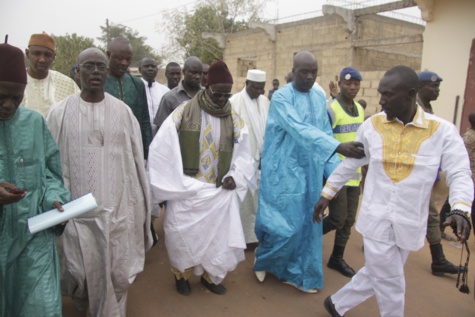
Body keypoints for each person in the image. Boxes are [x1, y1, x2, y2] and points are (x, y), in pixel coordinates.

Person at [314, 65, 473, 317]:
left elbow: (459, 172)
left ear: (410, 94)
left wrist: (460, 208)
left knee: (379, 272)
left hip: (410, 221)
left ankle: (336, 303)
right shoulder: (372, 126)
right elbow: (352, 163)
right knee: (391, 284)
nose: (381, 100)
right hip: (376, 219)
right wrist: (327, 193)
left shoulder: (441, 131)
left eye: (388, 95)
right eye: (381, 93)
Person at [46, 48, 152, 316]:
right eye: (89, 66)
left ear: (107, 72)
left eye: (100, 67)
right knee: (79, 274)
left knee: (117, 273)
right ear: (77, 71)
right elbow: (48, 162)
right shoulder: (59, 113)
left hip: (117, 211)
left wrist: (140, 205)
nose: (95, 71)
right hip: (76, 216)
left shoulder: (123, 112)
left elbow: (136, 161)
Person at [253, 51, 365, 293]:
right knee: (284, 225)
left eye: (313, 72)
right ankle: (263, 259)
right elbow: (298, 128)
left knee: (308, 225)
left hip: (311, 170)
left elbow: (324, 130)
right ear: (293, 71)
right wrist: (336, 146)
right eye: (303, 72)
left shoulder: (318, 95)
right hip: (283, 169)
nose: (309, 76)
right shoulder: (282, 97)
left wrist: (336, 172)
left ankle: (299, 273)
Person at [148, 60, 254, 296]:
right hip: (187, 191)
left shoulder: (234, 119)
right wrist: (178, 181)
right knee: (181, 236)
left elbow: (245, 156)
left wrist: (234, 176)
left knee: (216, 237)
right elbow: (162, 148)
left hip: (218, 192)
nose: (222, 100)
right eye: (218, 94)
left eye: (227, 95)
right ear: (207, 86)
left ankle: (210, 276)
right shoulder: (184, 112)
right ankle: (181, 276)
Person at [0, 40, 70, 316]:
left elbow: (52, 173)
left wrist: (54, 198)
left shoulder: (33, 122)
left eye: (17, 98)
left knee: (43, 307)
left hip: (34, 237)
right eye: (1, 96)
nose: (9, 105)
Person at [416, 70, 461, 275]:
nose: (437, 90)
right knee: (428, 215)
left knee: (430, 215)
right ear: (420, 87)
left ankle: (438, 260)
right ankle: (439, 260)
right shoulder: (414, 107)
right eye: (433, 86)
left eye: (438, 87)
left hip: (425, 172)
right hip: (412, 172)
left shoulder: (428, 108)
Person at [323, 67, 365, 278]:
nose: (352, 87)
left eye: (356, 83)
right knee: (337, 218)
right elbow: (322, 141)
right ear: (340, 84)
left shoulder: (359, 108)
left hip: (354, 176)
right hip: (336, 174)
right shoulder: (330, 108)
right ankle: (307, 238)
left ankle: (336, 257)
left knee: (348, 221)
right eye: (348, 83)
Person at [230, 69, 270, 244]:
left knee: (260, 200)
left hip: (263, 160)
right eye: (255, 87)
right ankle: (243, 238)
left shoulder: (265, 101)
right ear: (246, 84)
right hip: (242, 161)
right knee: (243, 201)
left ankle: (256, 237)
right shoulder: (234, 102)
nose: (258, 92)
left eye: (261, 88)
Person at [104, 37, 152, 159]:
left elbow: (144, 120)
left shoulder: (137, 84)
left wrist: (147, 153)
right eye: (119, 58)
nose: (124, 63)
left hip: (133, 148)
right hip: (106, 149)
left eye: (128, 59)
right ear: (108, 55)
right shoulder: (100, 82)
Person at [23, 32, 80, 115]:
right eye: (36, 53)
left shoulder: (67, 84)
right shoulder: (14, 81)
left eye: (47, 55)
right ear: (28, 54)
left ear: (53, 57)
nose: (42, 59)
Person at [153, 56, 203, 130]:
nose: (197, 77)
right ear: (184, 72)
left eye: (200, 73)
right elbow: (161, 130)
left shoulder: (207, 96)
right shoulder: (169, 98)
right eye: (193, 72)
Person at [139, 56, 170, 135]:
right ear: (140, 69)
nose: (150, 69)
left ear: (157, 69)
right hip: (140, 134)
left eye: (153, 66)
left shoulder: (165, 90)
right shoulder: (134, 88)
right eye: (146, 66)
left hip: (161, 135)